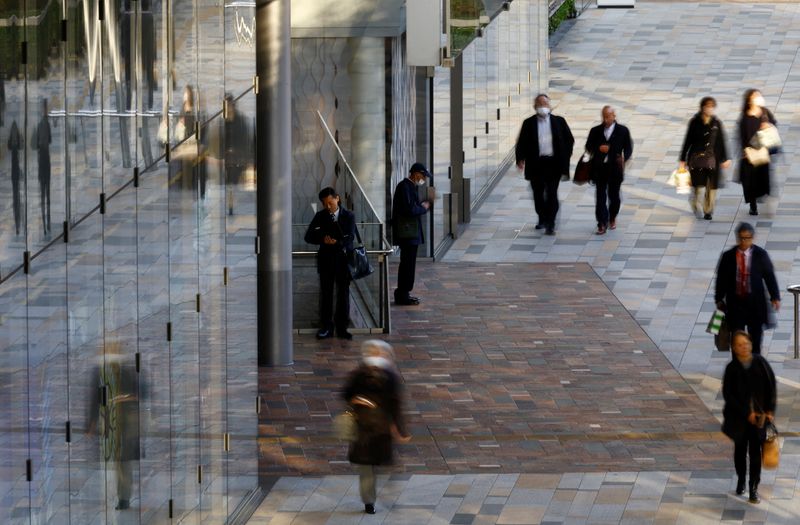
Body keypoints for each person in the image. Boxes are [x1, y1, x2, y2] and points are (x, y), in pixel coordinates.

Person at [342, 340, 410, 515]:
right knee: (374, 464)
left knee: (369, 466)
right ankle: (374, 498)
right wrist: (399, 430)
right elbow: (395, 404)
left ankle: (370, 500)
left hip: (367, 427)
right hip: (376, 427)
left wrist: (357, 400)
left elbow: (346, 394)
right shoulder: (387, 375)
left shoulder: (361, 373)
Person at [722, 331, 776, 504]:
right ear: (734, 348)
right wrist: (747, 413)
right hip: (739, 419)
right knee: (740, 451)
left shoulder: (760, 363)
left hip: (759, 419)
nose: (743, 347)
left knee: (755, 453)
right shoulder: (732, 368)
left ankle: (753, 487)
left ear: (751, 344)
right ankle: (741, 479)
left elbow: (771, 386)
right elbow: (728, 395)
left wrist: (770, 409)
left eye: (746, 343)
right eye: (739, 344)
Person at [714, 222, 780, 354]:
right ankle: (737, 366)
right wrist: (719, 298)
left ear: (752, 238)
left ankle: (755, 364)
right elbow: (721, 279)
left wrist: (775, 297)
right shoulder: (728, 256)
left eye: (747, 238)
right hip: (735, 303)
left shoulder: (760, 255)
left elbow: (769, 276)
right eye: (742, 238)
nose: (744, 242)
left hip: (755, 303)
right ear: (737, 238)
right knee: (737, 337)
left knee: (755, 337)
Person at [514, 93, 574, 235]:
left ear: (550, 105)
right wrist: (520, 159)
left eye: (545, 104)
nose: (543, 107)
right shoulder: (528, 123)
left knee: (552, 194)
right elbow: (521, 143)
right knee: (538, 194)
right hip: (536, 165)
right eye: (540, 104)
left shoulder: (559, 121)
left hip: (553, 164)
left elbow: (569, 140)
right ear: (535, 107)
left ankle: (550, 224)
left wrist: (565, 157)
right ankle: (542, 216)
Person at [304, 187, 356, 340]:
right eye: (325, 204)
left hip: (343, 260)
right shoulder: (321, 216)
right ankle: (326, 326)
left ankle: (342, 327)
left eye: (330, 203)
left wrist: (338, 242)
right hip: (326, 260)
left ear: (337, 198)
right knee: (326, 294)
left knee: (343, 294)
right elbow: (308, 236)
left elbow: (350, 237)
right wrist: (323, 239)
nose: (328, 207)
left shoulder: (348, 216)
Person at [679, 97, 731, 220]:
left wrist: (726, 158)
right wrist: (682, 159)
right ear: (702, 107)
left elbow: (722, 141)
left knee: (712, 186)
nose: (710, 109)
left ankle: (708, 210)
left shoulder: (716, 123)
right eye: (708, 106)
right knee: (698, 186)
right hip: (697, 160)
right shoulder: (694, 122)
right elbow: (687, 140)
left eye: (712, 106)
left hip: (713, 159)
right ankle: (695, 203)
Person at [585, 106, 633, 235]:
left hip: (615, 169)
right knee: (600, 197)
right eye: (604, 116)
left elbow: (628, 147)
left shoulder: (623, 131)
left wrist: (625, 158)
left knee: (614, 197)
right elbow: (588, 146)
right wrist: (598, 148)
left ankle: (612, 216)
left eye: (608, 116)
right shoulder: (595, 131)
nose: (606, 119)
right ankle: (601, 223)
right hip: (599, 169)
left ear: (614, 116)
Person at [391, 163, 432, 305]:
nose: (423, 179)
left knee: (409, 264)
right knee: (407, 264)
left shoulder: (409, 187)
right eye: (423, 176)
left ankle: (404, 293)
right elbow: (409, 210)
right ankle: (402, 294)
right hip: (408, 233)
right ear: (416, 174)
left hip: (410, 233)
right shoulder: (405, 187)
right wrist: (423, 208)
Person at [738, 89, 776, 216]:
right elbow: (742, 136)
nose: (758, 98)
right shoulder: (745, 117)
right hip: (750, 153)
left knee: (763, 178)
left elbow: (774, 124)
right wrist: (744, 149)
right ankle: (753, 205)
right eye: (755, 96)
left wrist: (768, 125)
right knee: (750, 181)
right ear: (749, 100)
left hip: (763, 151)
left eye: (759, 95)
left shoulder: (765, 112)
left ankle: (764, 196)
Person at [8, 120, 22, 235]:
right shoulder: (15, 146)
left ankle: (18, 224)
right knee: (16, 195)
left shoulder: (14, 146)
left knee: (16, 195)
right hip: (15, 173)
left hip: (15, 173)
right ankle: (17, 224)